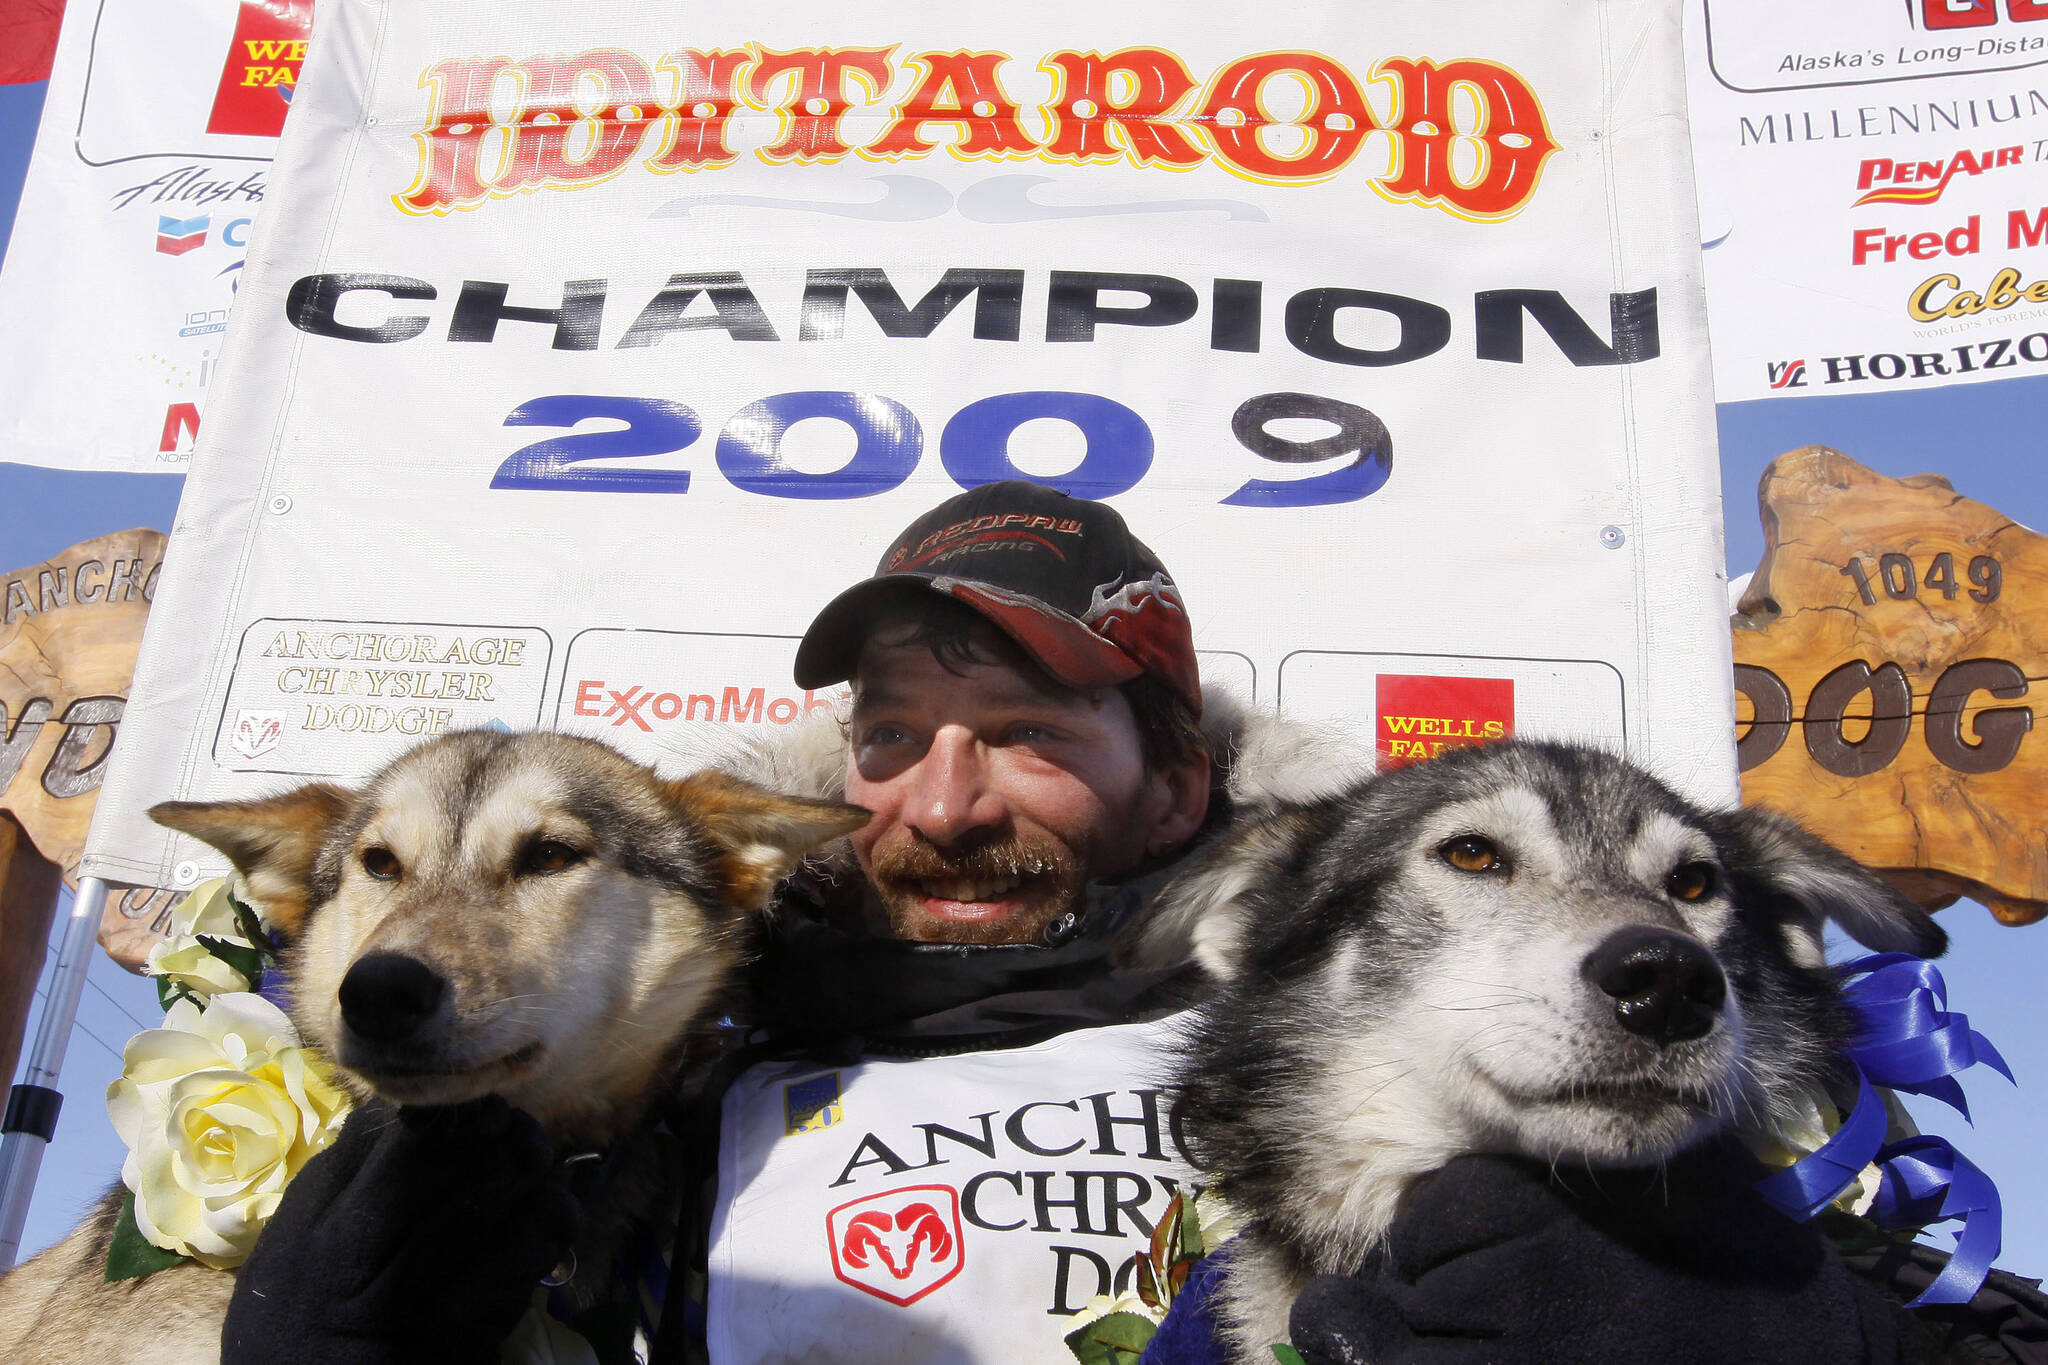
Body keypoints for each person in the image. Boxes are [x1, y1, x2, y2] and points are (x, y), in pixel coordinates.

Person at [220, 483, 2025, 1365]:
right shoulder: (671, 1049)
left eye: (1018, 738)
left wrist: (1807, 1338)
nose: (938, 800)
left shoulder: (1428, 1003)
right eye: (890, 742)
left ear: (1178, 776)